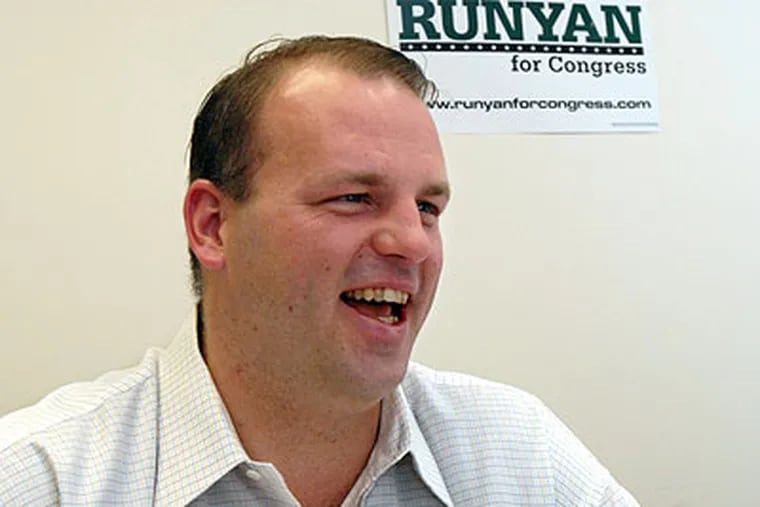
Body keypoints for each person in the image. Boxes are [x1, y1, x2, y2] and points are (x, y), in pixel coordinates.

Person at [0, 35, 639, 506]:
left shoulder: (522, 458)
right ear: (213, 227)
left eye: (428, 207)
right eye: (353, 198)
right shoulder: (42, 478)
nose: (413, 243)